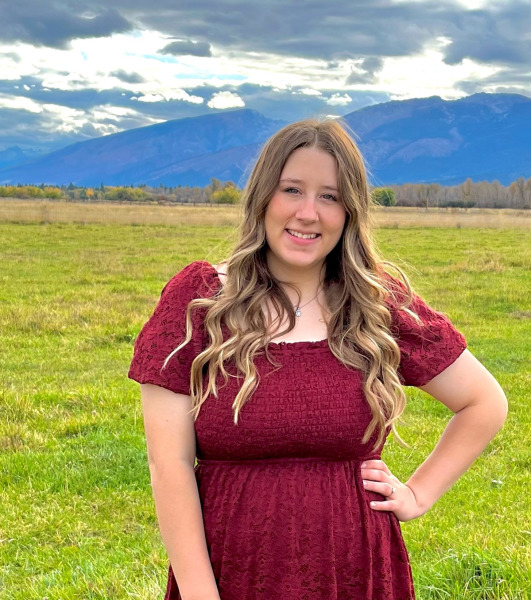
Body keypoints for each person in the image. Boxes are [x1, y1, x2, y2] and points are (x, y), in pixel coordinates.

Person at [128, 118, 508, 600]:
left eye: (329, 196)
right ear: (262, 196)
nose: (308, 213)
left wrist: (418, 493)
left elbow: (483, 402)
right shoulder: (199, 301)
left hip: (357, 571)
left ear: (349, 212)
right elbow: (170, 464)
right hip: (231, 571)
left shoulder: (375, 304)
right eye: (292, 189)